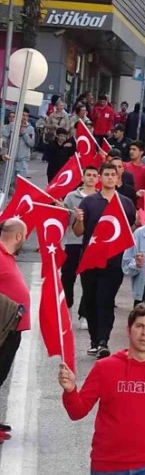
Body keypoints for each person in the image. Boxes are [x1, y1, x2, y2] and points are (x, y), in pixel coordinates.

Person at [58, 305, 145, 474]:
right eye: (139, 326)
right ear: (128, 330)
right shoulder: (104, 367)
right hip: (107, 466)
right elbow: (77, 412)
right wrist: (71, 390)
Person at [73, 163, 137, 359]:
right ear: (100, 178)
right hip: (90, 260)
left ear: (118, 179)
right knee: (91, 299)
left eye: (113, 174)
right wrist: (79, 219)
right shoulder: (90, 202)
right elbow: (78, 232)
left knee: (106, 300)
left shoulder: (125, 203)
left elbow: (130, 229)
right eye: (106, 174)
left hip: (114, 262)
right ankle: (94, 340)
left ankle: (103, 341)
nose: (110, 177)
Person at [0, 218, 30, 436]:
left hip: (10, 329)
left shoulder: (6, 256)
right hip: (4, 328)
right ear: (18, 236)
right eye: (25, 235)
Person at [62, 166, 100, 329]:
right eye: (88, 175)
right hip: (72, 243)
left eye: (94, 175)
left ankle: (84, 314)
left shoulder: (100, 197)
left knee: (89, 280)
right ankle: (67, 309)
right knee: (68, 278)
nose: (91, 178)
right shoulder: (71, 197)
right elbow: (64, 219)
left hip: (92, 245)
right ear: (83, 177)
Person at [1, 108, 35, 179]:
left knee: (19, 183)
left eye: (26, 115)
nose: (25, 117)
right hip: (10, 159)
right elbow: (4, 138)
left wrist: (24, 133)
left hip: (22, 160)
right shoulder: (12, 125)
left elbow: (31, 144)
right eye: (23, 115)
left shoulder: (30, 128)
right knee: (7, 182)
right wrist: (5, 151)